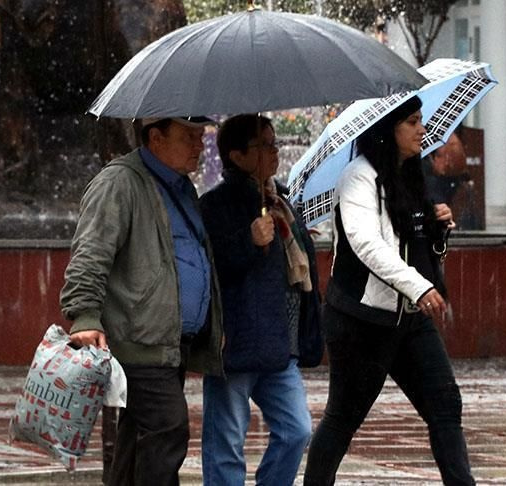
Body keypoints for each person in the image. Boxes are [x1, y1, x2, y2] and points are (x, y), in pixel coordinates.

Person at [303, 96, 475, 485]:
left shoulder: (411, 175)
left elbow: (414, 248)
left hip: (411, 320)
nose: (422, 129)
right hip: (362, 321)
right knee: (343, 418)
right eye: (412, 122)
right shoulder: (358, 177)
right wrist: (419, 287)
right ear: (388, 129)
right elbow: (368, 246)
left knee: (446, 406)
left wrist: (436, 228)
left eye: (421, 120)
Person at [60, 117, 224, 486]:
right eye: (189, 137)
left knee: (138, 440)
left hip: (168, 341)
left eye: (201, 137)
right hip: (136, 338)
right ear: (156, 137)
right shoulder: (119, 182)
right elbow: (90, 253)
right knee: (168, 428)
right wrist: (84, 315)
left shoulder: (181, 187)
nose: (199, 146)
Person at [199, 114, 322, 486]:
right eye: (265, 145)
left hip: (279, 344)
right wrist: (248, 240)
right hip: (236, 342)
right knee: (227, 443)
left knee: (297, 430)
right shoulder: (215, 205)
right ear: (237, 156)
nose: (275, 152)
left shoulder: (279, 200)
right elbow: (211, 269)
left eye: (275, 143)